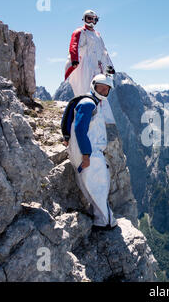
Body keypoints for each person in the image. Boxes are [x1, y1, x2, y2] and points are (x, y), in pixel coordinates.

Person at [66, 73, 117, 231]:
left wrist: (66, 136)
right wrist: (87, 155)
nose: (103, 91)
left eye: (106, 89)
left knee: (91, 185)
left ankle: (97, 216)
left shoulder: (89, 102)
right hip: (90, 153)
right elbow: (80, 129)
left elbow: (69, 120)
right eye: (100, 88)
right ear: (93, 86)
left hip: (88, 152)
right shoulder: (89, 104)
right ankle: (106, 222)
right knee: (100, 186)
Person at [64, 10, 116, 97]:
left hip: (99, 68)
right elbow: (74, 45)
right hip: (85, 66)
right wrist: (74, 60)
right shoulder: (80, 32)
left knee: (100, 90)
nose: (91, 21)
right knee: (85, 89)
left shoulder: (98, 35)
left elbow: (104, 52)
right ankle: (84, 107)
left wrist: (109, 66)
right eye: (89, 19)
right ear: (84, 19)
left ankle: (98, 109)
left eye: (94, 19)